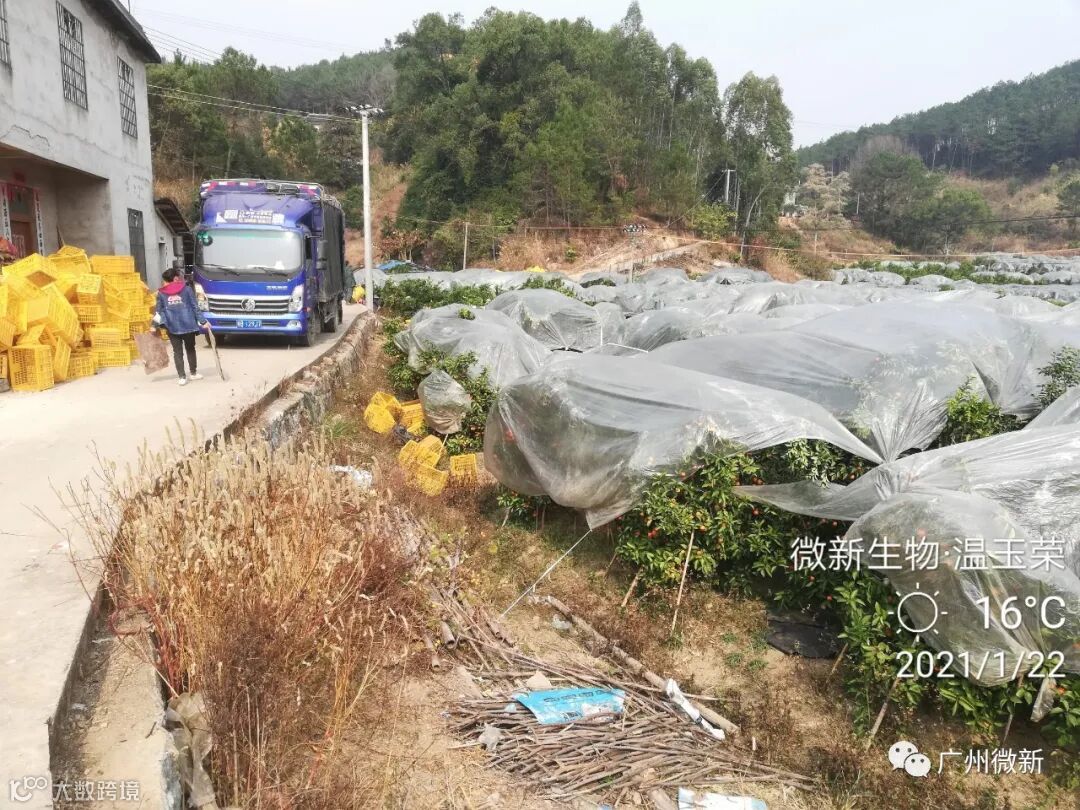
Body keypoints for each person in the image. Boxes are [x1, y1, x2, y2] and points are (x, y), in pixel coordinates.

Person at [155, 267, 209, 385]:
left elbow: (158, 311)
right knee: (190, 349)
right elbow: (195, 307)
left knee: (177, 352)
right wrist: (203, 321)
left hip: (172, 327)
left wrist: (153, 325)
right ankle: (193, 373)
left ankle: (182, 377)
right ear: (176, 278)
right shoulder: (187, 289)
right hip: (188, 325)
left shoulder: (161, 293)